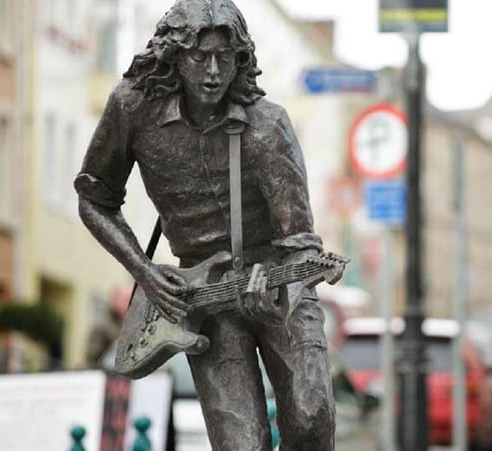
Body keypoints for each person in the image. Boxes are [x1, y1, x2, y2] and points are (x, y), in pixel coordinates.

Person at [74, 1, 334, 449]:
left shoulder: (268, 125)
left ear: (241, 60)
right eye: (200, 57)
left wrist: (276, 299)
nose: (214, 71)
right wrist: (145, 272)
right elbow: (94, 197)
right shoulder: (133, 108)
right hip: (200, 295)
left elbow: (301, 247)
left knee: (312, 418)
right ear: (174, 56)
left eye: (225, 58)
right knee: (241, 444)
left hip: (277, 282)